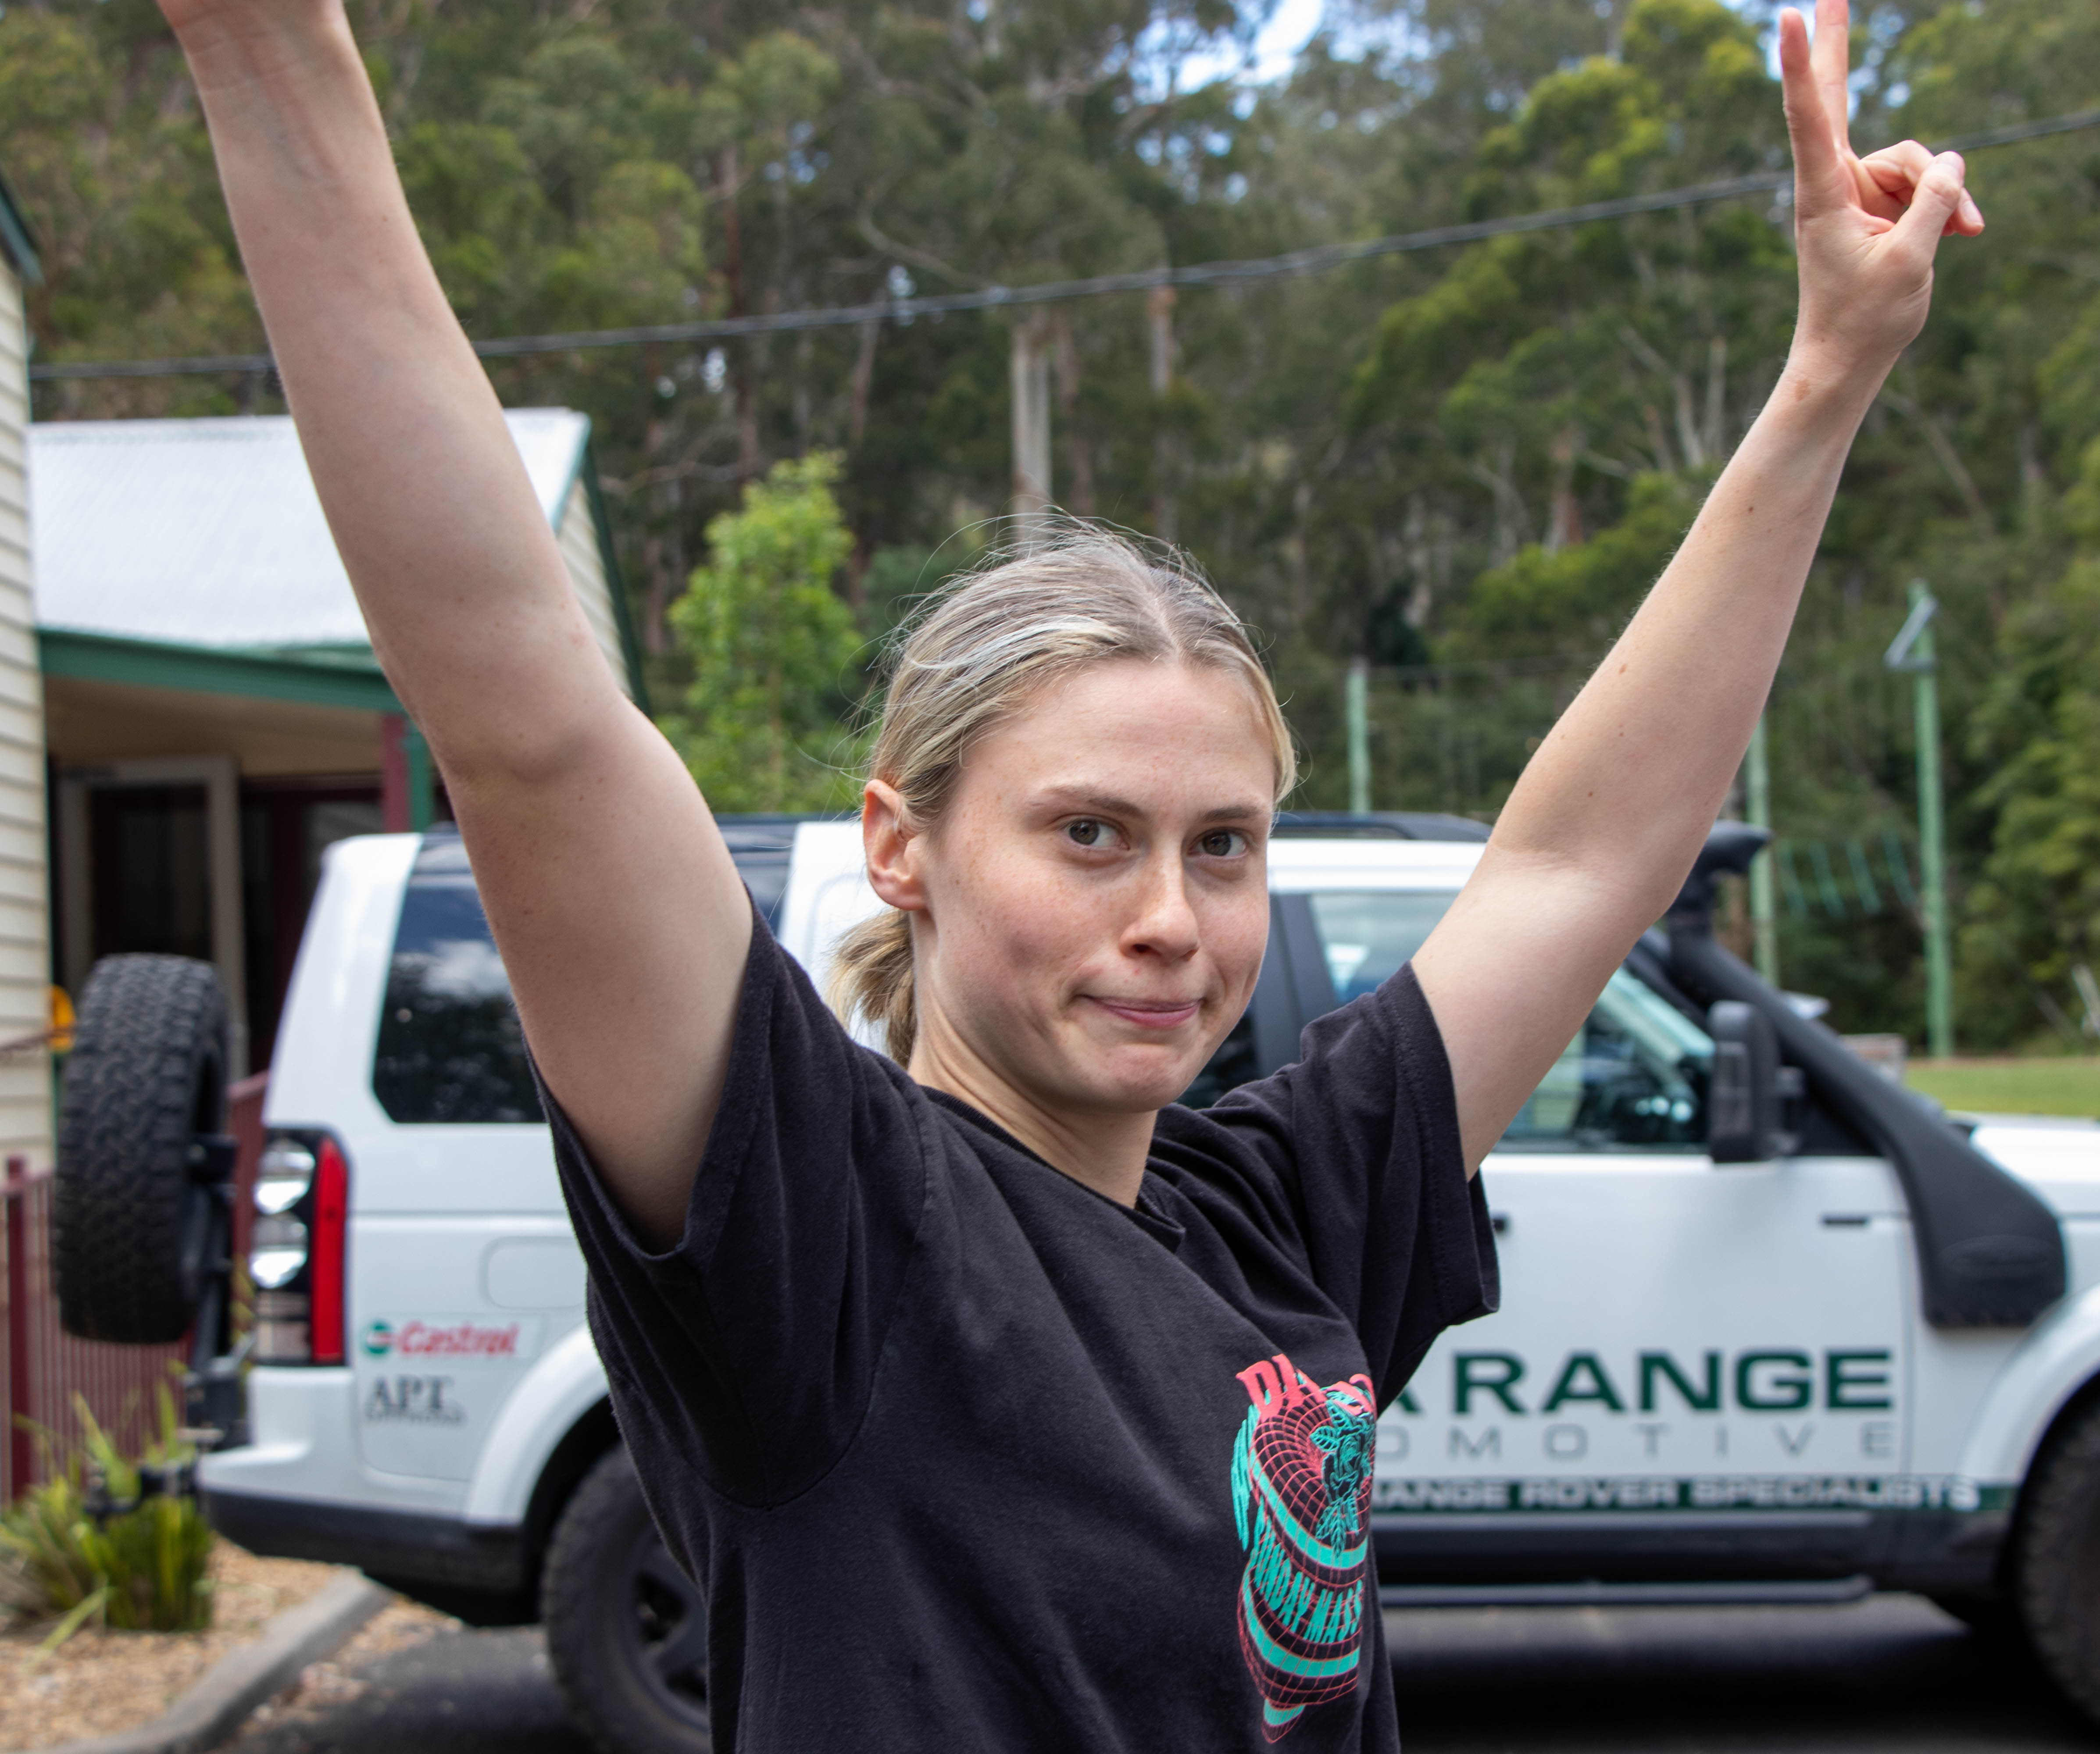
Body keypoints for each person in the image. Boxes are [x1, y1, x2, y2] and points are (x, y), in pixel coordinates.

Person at [155, 0, 1981, 1746]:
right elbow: (528, 717)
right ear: (904, 847)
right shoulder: (831, 1233)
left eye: (1226, 846)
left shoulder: (1280, 1209)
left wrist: (1829, 375)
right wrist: (272, 48)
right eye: (1089, 832)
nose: (1171, 920)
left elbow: (1583, 861)